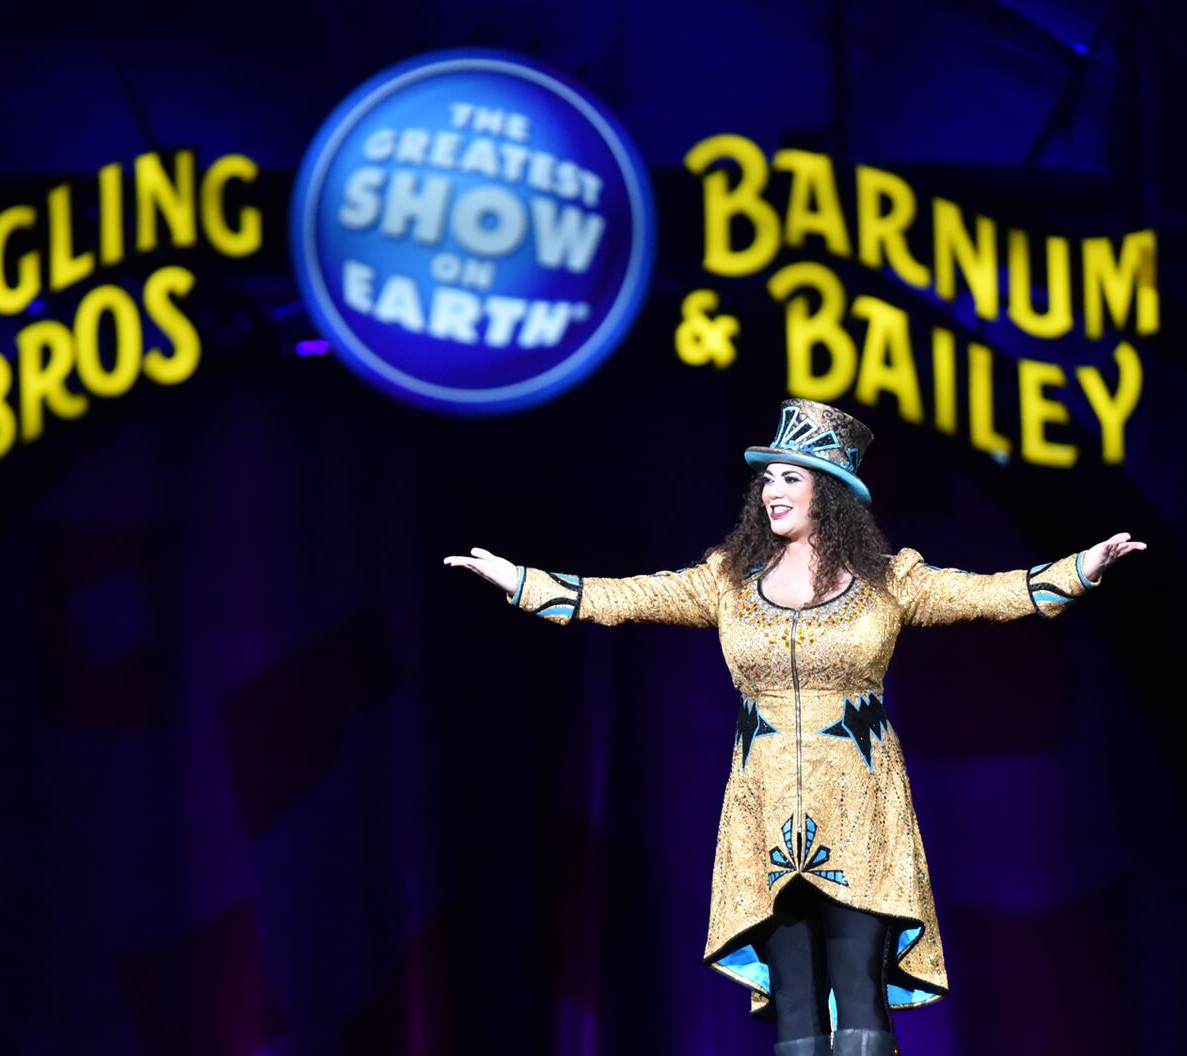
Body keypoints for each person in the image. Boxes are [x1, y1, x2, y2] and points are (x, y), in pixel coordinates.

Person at [442, 398, 1145, 1056]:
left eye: (790, 478)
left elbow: (991, 595)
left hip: (862, 812)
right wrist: (522, 580)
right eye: (768, 480)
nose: (773, 491)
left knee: (859, 983)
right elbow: (626, 597)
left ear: (829, 492)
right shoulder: (726, 582)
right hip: (763, 813)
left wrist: (1082, 569)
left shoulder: (890, 582)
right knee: (797, 1001)